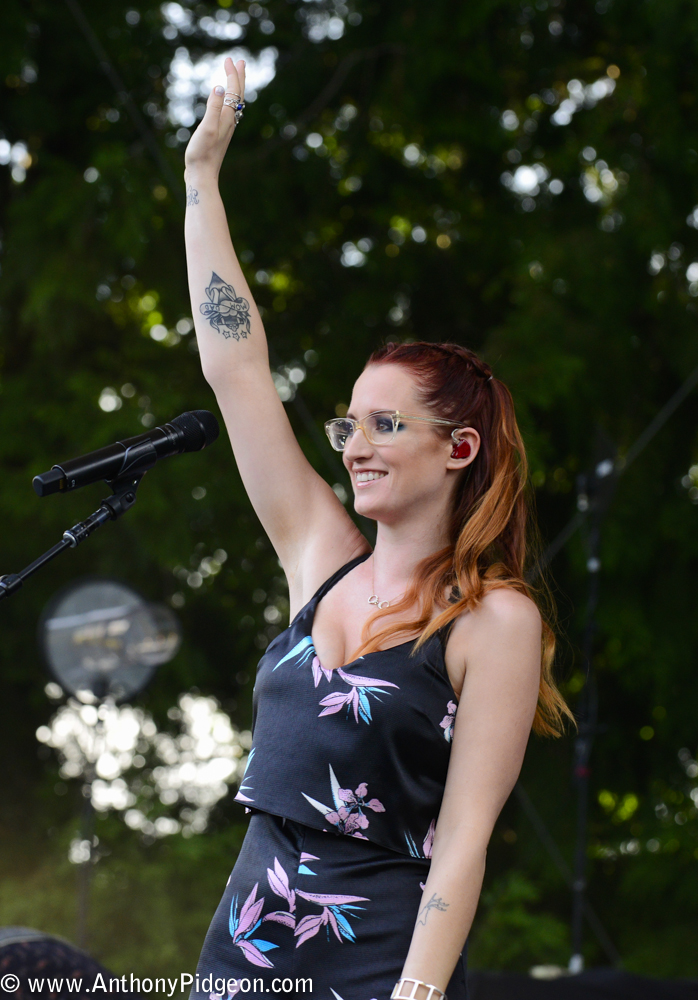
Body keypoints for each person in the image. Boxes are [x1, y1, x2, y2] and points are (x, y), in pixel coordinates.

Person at [183, 58, 572, 1000]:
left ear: (458, 447)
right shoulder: (319, 554)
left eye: (386, 425)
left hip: (376, 971)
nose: (356, 444)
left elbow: (463, 845)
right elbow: (237, 369)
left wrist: (419, 995)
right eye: (349, 423)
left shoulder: (493, 621)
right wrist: (201, 181)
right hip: (238, 961)